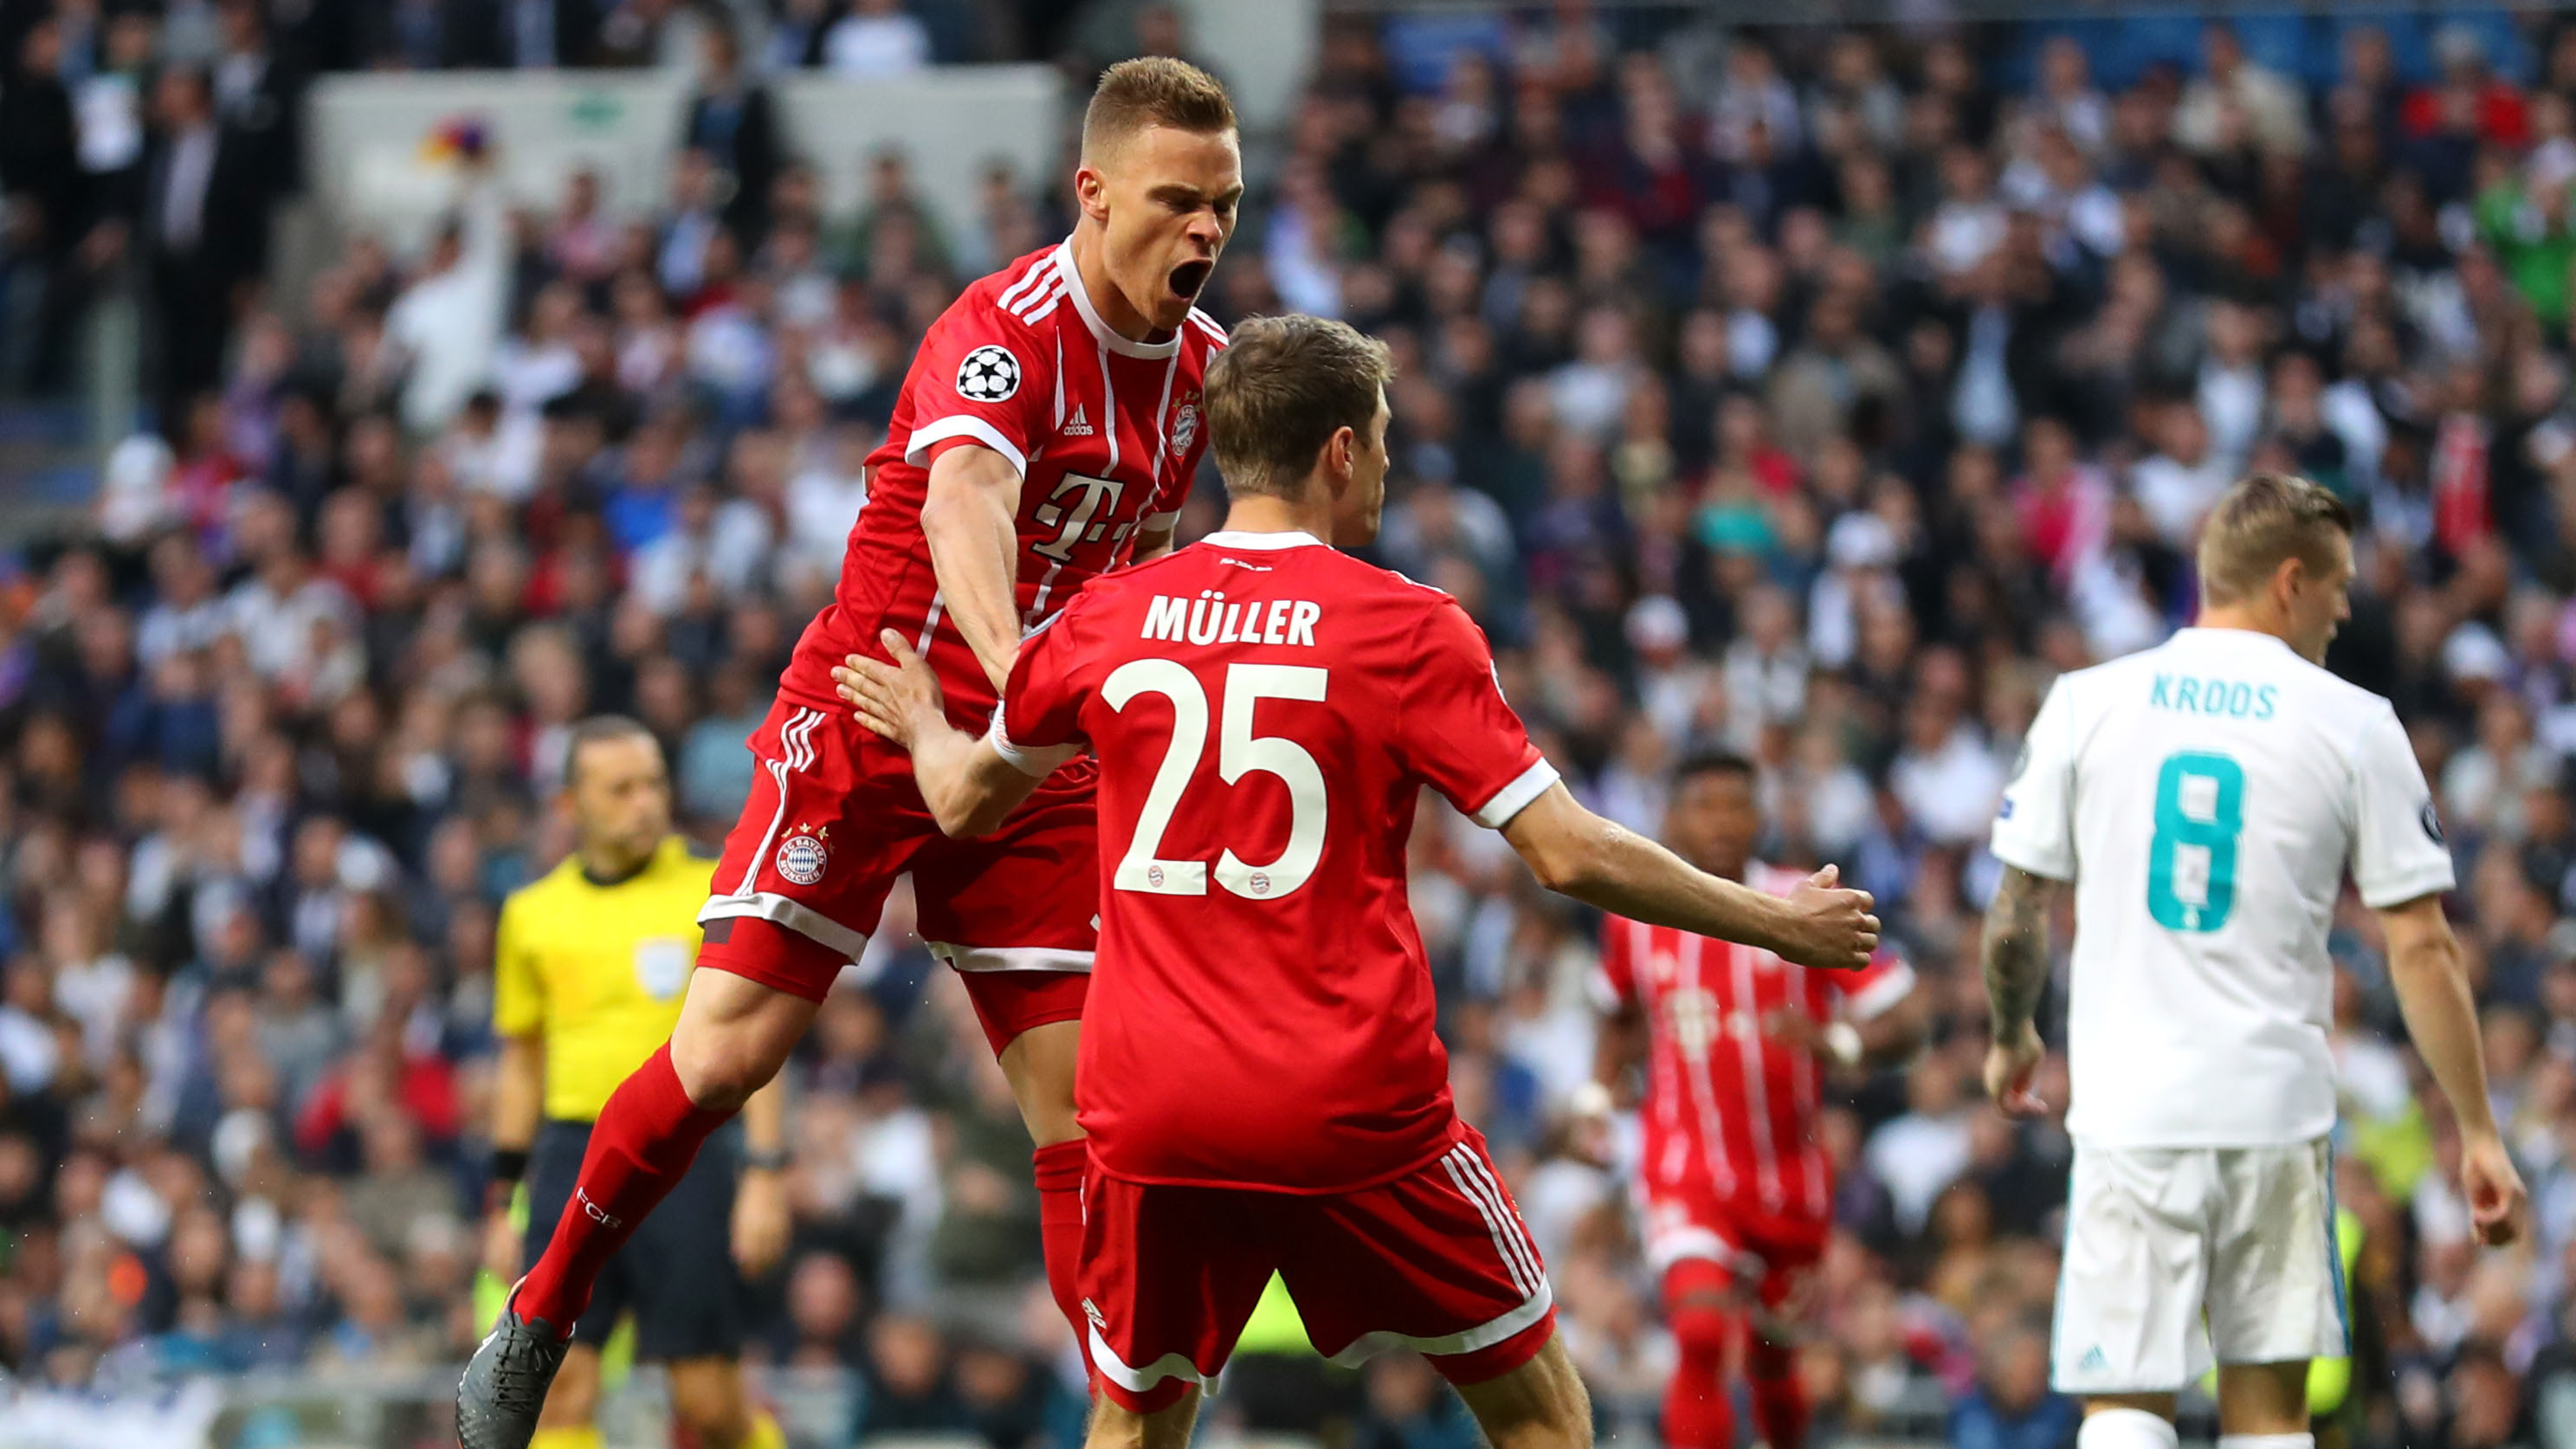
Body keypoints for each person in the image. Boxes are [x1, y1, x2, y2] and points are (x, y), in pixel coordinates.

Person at [831, 314, 1881, 1449]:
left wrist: (927, 726)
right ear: (1340, 449)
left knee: (1131, 1425)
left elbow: (963, 799)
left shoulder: (1107, 614)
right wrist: (1773, 920)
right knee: (1541, 1415)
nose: (1379, 465)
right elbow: (1565, 850)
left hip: (1153, 1109)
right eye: (1377, 439)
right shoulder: (1404, 628)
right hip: (1347, 1106)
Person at [460, 57, 1244, 1448]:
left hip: (1027, 759)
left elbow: (1158, 563)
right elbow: (967, 504)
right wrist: (1018, 687)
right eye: (1176, 200)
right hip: (883, 712)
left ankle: (1128, 1424)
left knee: (1082, 1115)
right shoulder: (1002, 332)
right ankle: (545, 1304)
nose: (1203, 231)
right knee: (725, 1057)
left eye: (1224, 207)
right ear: (1093, 188)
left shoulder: (1204, 373)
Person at [1980, 475, 2528, 1449]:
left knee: (2124, 1403)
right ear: (2287, 583)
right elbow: (2419, 942)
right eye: (2337, 583)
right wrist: (2476, 1126)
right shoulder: (2354, 722)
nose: (2345, 605)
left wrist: (2009, 1032)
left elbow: (2019, 909)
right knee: (2269, 1415)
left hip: (2130, 1106)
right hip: (2271, 1106)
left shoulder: (2083, 704)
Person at [1583, 751, 1926, 1449]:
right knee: (1702, 1332)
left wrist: (1844, 1044)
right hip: (1684, 1165)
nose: (1719, 820)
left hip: (1787, 1176)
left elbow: (1906, 1018)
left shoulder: (1802, 907)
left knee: (1774, 1361)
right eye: (1702, 804)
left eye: (1734, 804)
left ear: (1759, 815)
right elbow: (1617, 1013)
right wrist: (1596, 1096)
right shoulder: (1634, 917)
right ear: (1672, 817)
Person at [482, 716, 788, 1449]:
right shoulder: (531, 915)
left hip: (684, 1157)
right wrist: (502, 1200)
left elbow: (755, 1034)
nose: (644, 802)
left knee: (708, 1403)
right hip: (569, 1153)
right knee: (558, 1392)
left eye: (653, 783)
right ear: (569, 807)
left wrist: (766, 1172)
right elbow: (522, 1062)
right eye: (620, 789)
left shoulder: (713, 888)